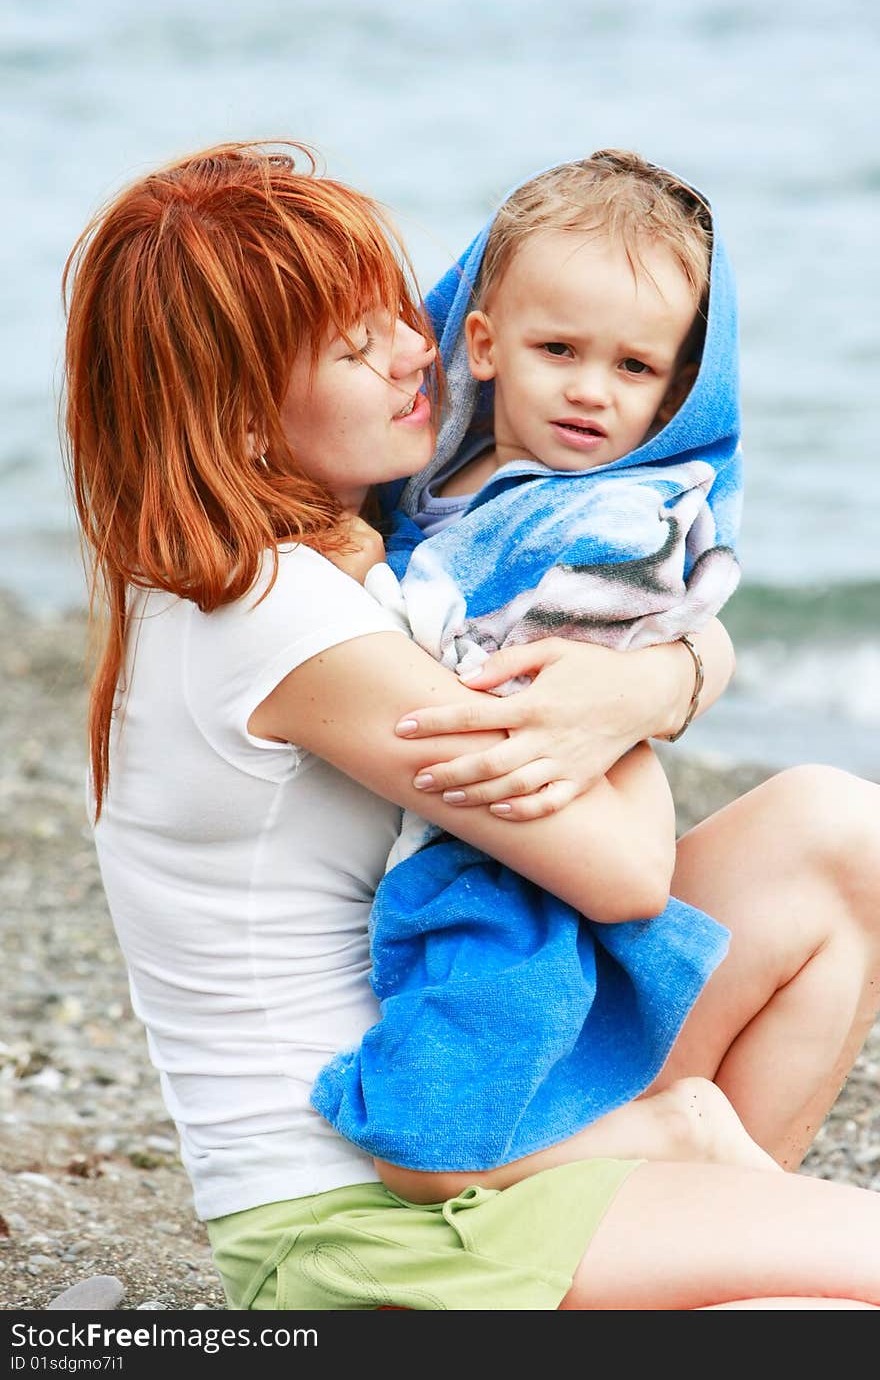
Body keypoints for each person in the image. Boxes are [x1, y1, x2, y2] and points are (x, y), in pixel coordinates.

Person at [61, 141, 880, 1311]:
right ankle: (697, 1211)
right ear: (240, 417)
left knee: (841, 831)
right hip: (363, 1220)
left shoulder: (313, 561)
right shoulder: (274, 611)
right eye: (354, 349)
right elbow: (625, 871)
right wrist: (634, 691)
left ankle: (698, 1224)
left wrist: (661, 676)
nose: (417, 350)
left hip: (491, 1114)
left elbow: (637, 672)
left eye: (394, 310)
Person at [311, 150, 759, 1191]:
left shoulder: (605, 522)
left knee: (429, 1142)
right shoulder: (429, 471)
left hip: (526, 852)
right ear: (482, 341)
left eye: (636, 369)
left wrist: (670, 672)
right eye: (559, 348)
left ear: (678, 388)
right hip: (473, 826)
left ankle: (708, 1199)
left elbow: (512, 676)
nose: (592, 393)